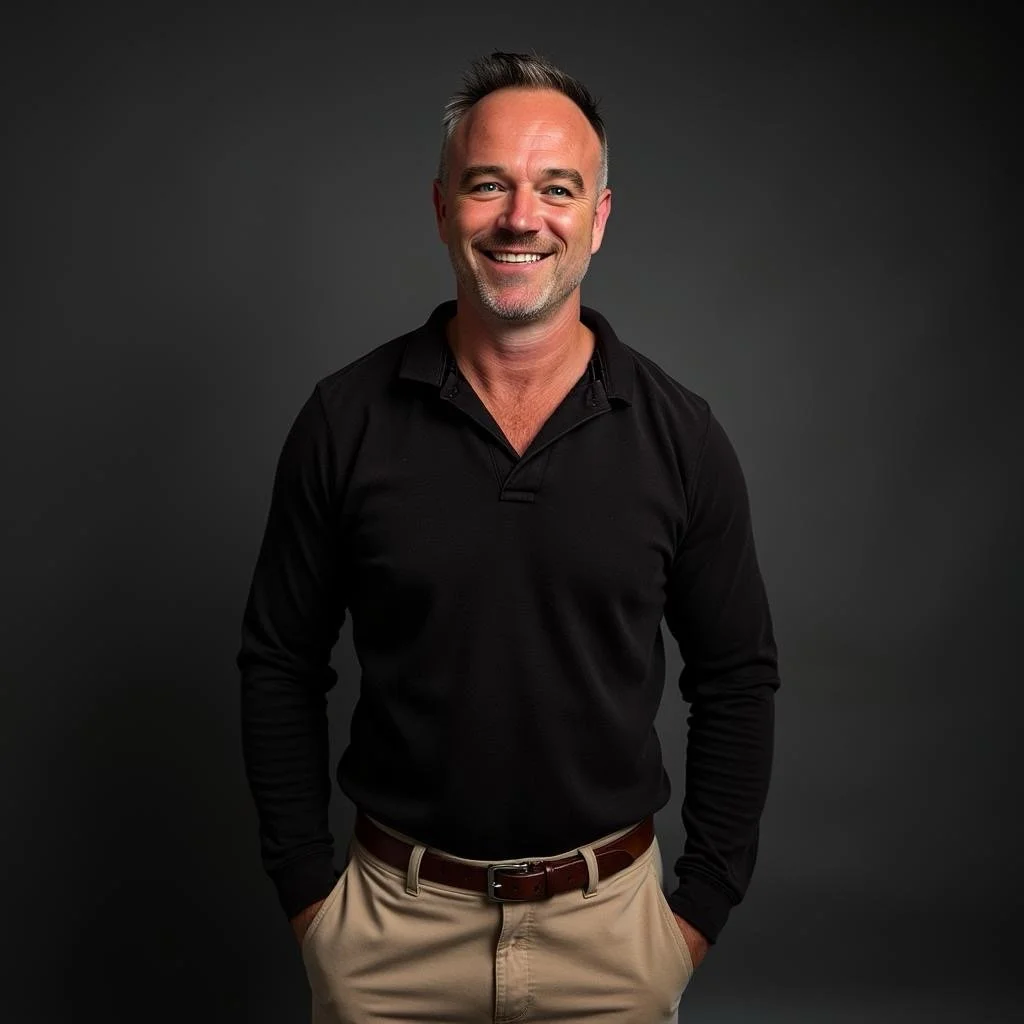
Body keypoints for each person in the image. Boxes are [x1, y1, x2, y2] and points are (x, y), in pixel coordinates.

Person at [237, 50, 780, 1024]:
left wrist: (696, 912)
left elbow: (736, 675)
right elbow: (279, 661)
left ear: (598, 219)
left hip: (611, 939)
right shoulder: (344, 420)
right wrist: (310, 901)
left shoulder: (679, 435)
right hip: (388, 935)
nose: (521, 217)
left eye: (556, 188)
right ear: (443, 206)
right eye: (489, 184)